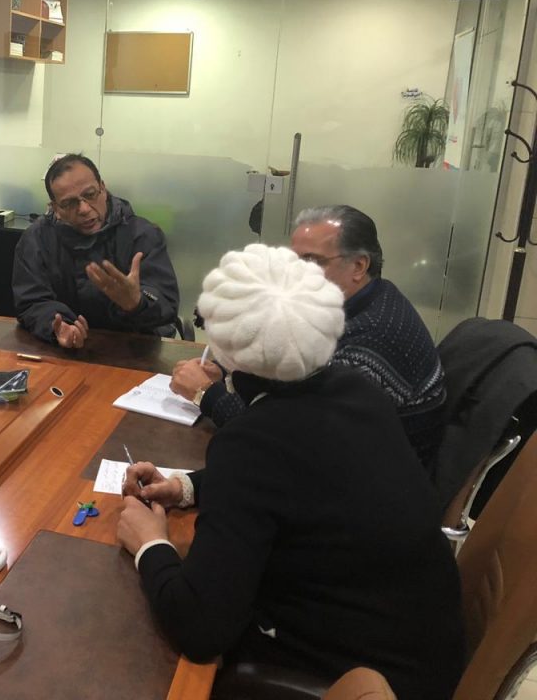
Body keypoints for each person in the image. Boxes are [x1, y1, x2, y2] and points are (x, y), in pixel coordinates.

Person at [118, 244, 464, 700]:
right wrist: (185, 487)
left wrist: (150, 544)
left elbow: (200, 628)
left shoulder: (250, 443)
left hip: (360, 678)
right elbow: (303, 478)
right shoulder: (356, 390)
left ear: (227, 349)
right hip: (426, 650)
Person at [172, 204, 445, 470]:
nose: (295, 274)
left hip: (368, 485)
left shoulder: (367, 342)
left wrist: (206, 394)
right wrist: (233, 373)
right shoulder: (365, 300)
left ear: (359, 266)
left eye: (311, 261)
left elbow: (289, 442)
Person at [12, 153, 180, 349]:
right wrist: (59, 326)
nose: (83, 209)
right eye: (69, 203)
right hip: (63, 351)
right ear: (55, 208)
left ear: (103, 188)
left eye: (90, 194)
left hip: (134, 351)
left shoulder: (142, 235)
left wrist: (137, 302)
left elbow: (166, 304)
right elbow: (32, 301)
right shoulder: (37, 239)